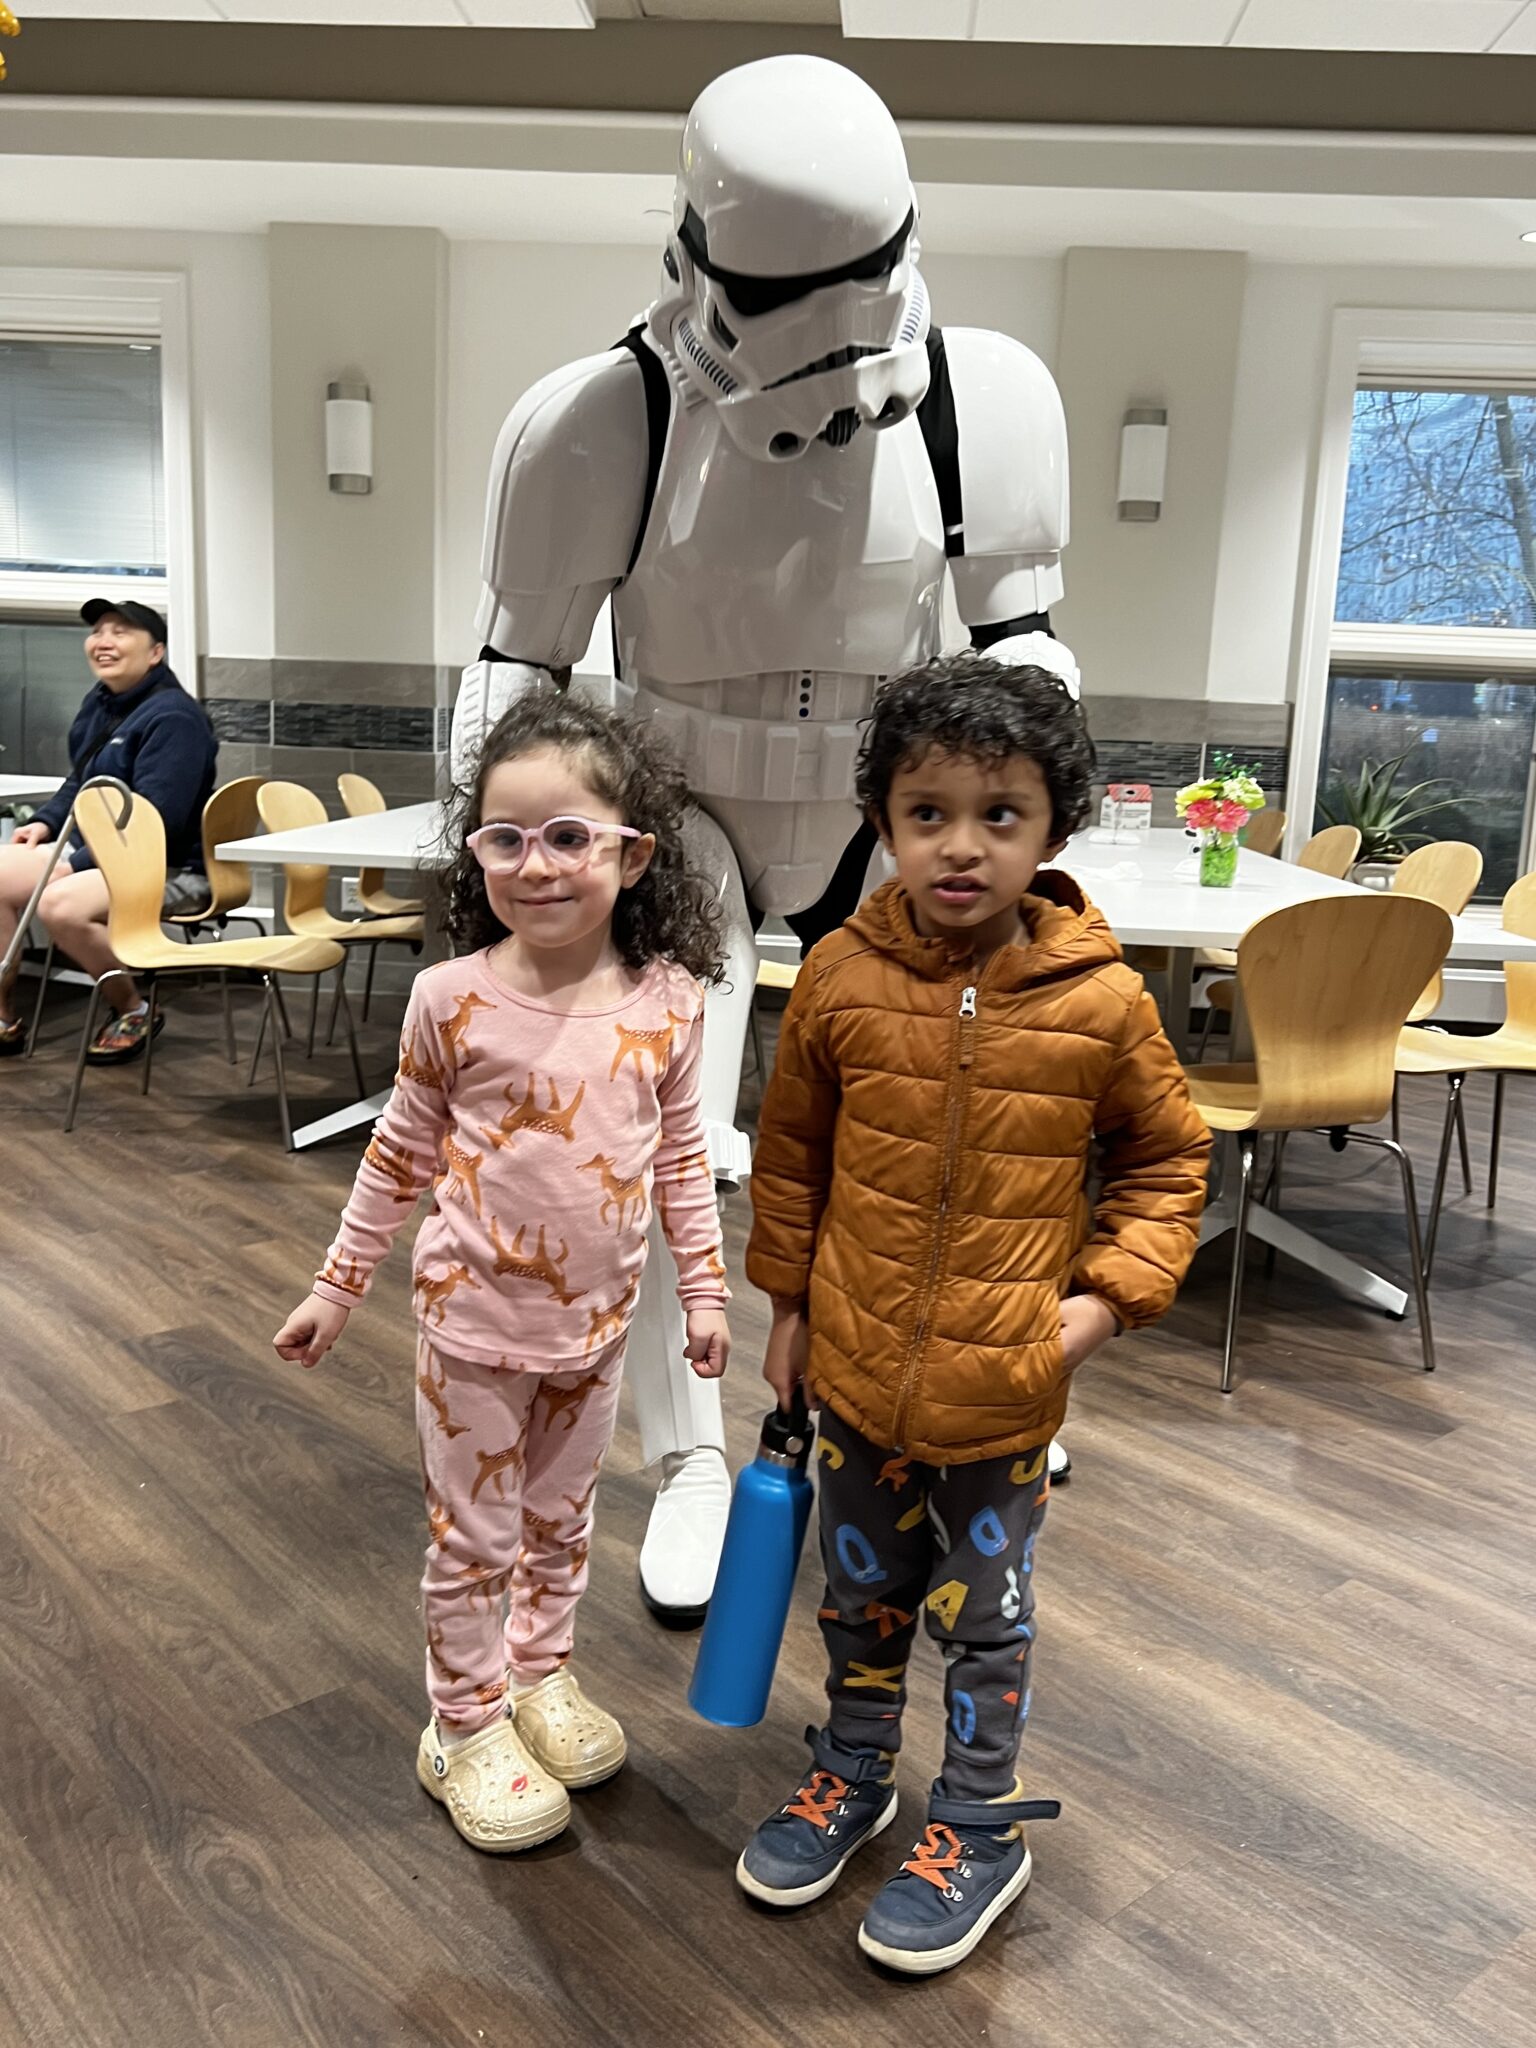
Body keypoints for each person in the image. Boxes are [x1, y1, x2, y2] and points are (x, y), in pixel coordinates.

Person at [454, 52, 1082, 1623]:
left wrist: (1007, 824)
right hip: (685, 824)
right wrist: (525, 873)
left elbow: (1030, 641)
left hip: (896, 821)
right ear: (698, 262)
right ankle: (687, 1460)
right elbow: (516, 674)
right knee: (666, 1145)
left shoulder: (985, 394)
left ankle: (942, 1393)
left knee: (953, 1124)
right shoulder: (603, 419)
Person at [736, 655, 1210, 1975]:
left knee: (984, 1615)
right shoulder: (836, 974)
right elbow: (791, 1155)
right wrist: (789, 1304)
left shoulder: (1102, 1000)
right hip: (851, 1369)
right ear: (880, 822)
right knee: (861, 1592)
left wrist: (1099, 1309)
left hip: (1003, 1396)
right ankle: (852, 1769)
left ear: (1054, 828)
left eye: (999, 814)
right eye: (925, 811)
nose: (959, 845)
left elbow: (1171, 1167)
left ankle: (981, 1822)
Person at [272, 691, 732, 1854]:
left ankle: (539, 1679)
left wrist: (709, 1290)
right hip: (471, 1327)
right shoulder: (451, 998)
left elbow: (681, 1158)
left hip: (597, 1331)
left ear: (632, 854)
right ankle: (465, 1722)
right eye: (505, 837)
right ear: (474, 852)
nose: (537, 864)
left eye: (569, 835)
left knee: (565, 1520)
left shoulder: (671, 1004)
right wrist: (337, 1282)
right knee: (475, 1538)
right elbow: (399, 1149)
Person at [0, 598, 217, 1063]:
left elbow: (157, 821)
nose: (104, 642)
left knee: (60, 905)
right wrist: (46, 822)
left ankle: (132, 1007)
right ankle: (3, 1018)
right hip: (100, 853)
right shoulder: (101, 703)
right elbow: (80, 780)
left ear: (155, 652)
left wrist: (71, 864)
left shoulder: (174, 718)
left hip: (167, 865)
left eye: (121, 632)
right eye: (98, 631)